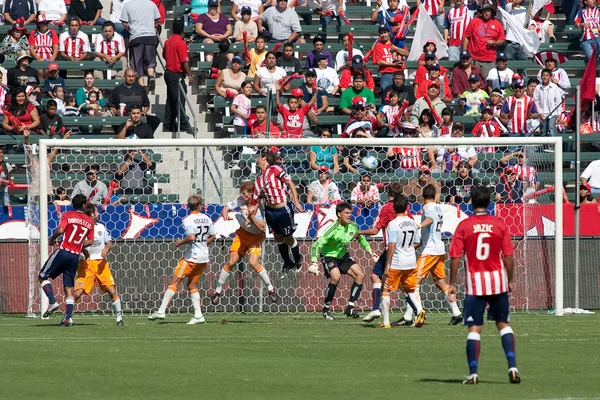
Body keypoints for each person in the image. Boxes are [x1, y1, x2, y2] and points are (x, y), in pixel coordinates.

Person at [448, 185, 520, 385]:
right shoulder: (499, 225)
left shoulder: (464, 225)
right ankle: (513, 366)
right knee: (503, 325)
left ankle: (473, 373)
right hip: (497, 281)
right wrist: (510, 280)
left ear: (470, 201)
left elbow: (455, 257)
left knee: (474, 328)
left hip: (475, 283)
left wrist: (452, 283)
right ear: (489, 202)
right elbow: (508, 256)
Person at [149, 195, 215, 324]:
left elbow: (191, 237)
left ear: (188, 206)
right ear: (200, 206)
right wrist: (203, 244)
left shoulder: (188, 220)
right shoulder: (207, 218)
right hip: (203, 257)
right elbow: (213, 236)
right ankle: (198, 315)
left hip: (192, 257)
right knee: (192, 285)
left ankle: (161, 311)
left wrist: (180, 242)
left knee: (174, 282)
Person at [402, 185, 463, 325]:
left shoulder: (427, 208)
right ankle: (457, 313)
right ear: (435, 195)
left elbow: (429, 219)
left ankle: (412, 315)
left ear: (422, 196)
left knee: (412, 282)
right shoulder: (438, 207)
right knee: (441, 282)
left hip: (430, 251)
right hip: (439, 250)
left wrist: (419, 225)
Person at [308, 201, 377, 320]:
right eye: (346, 213)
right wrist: (314, 262)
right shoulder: (332, 229)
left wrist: (371, 252)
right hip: (329, 256)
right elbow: (315, 246)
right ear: (339, 214)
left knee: (360, 275)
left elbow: (361, 239)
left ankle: (350, 308)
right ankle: (326, 309)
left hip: (343, 256)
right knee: (336, 277)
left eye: (350, 213)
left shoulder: (353, 227)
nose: (349, 215)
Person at [212, 182, 279, 304]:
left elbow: (262, 228)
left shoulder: (259, 208)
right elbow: (226, 208)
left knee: (253, 262)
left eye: (244, 193)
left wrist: (252, 217)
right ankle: (217, 291)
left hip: (255, 237)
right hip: (241, 235)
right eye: (241, 193)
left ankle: (271, 289)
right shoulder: (240, 200)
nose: (242, 195)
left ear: (251, 194)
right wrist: (225, 214)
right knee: (231, 262)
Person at [38, 194, 94, 326]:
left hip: (63, 251)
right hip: (75, 256)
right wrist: (79, 245)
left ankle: (52, 302)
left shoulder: (68, 215)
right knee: (69, 286)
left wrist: (52, 239)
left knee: (42, 276)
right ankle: (68, 317)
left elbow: (61, 229)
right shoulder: (89, 221)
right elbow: (90, 241)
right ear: (84, 204)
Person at [248, 151, 304, 275]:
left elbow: (290, 183)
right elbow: (257, 199)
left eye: (258, 157)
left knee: (288, 237)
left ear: (264, 158)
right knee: (277, 237)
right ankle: (287, 262)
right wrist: (251, 211)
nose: (256, 160)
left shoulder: (275, 169)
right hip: (270, 211)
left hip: (283, 209)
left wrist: (296, 202)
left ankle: (297, 259)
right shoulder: (258, 179)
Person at [358, 181, 403, 322]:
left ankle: (376, 309)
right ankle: (413, 312)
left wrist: (360, 232)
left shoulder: (386, 208)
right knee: (403, 282)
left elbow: (375, 230)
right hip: (406, 247)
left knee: (375, 275)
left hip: (391, 248)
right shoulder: (403, 208)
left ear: (387, 193)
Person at [379, 194, 426, 328]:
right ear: (406, 207)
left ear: (394, 207)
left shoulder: (392, 224)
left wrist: (387, 265)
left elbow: (392, 245)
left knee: (386, 290)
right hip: (411, 261)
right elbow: (418, 242)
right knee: (410, 289)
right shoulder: (412, 222)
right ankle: (420, 310)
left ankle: (386, 322)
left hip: (397, 262)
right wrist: (408, 248)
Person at [74, 204, 124, 326]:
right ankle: (67, 316)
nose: (99, 214)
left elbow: (109, 242)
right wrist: (83, 250)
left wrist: (107, 248)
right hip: (86, 265)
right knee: (78, 292)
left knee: (112, 290)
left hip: (101, 264)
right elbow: (75, 243)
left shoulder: (101, 227)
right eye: (97, 212)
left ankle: (119, 318)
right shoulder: (82, 228)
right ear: (91, 214)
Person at [162, 19, 194, 133]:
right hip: (176, 73)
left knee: (171, 98)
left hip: (168, 72)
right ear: (183, 30)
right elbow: (184, 61)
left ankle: (168, 124)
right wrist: (190, 75)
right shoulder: (181, 43)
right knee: (180, 98)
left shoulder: (168, 41)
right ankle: (184, 124)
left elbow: (164, 55)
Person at [121, 0, 161, 90]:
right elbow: (157, 20)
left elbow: (124, 23)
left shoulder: (128, 5)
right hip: (150, 36)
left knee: (137, 63)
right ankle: (151, 76)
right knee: (150, 60)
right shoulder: (152, 4)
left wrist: (131, 30)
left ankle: (141, 86)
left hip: (136, 37)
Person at [107, 68, 160, 134]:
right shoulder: (117, 89)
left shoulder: (140, 88)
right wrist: (116, 111)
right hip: (123, 116)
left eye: (133, 76)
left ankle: (144, 136)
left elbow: (146, 104)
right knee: (115, 122)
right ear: (124, 77)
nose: (131, 78)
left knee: (155, 120)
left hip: (138, 116)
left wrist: (144, 111)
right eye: (129, 76)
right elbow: (111, 105)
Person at [462, 3, 506, 77]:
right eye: (484, 11)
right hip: (474, 58)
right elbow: (466, 36)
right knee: (473, 81)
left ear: (491, 12)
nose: (486, 13)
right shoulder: (474, 21)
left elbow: (502, 40)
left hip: (489, 59)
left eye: (488, 11)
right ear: (481, 12)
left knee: (488, 82)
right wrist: (464, 52)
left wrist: (494, 43)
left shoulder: (497, 24)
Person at [372, 24, 407, 90]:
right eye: (381, 33)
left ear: (389, 33)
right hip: (386, 74)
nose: (383, 35)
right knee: (387, 94)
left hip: (399, 73)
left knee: (400, 94)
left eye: (385, 32)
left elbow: (406, 53)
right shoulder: (378, 46)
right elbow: (379, 61)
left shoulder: (396, 42)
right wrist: (393, 64)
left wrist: (396, 48)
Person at [533, 68, 564, 137]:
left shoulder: (554, 87)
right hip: (542, 113)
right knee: (543, 131)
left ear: (550, 77)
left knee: (551, 129)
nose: (545, 77)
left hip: (553, 113)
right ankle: (542, 146)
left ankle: (553, 147)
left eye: (547, 75)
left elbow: (558, 101)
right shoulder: (538, 88)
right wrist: (539, 112)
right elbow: (535, 101)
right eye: (543, 75)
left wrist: (558, 113)